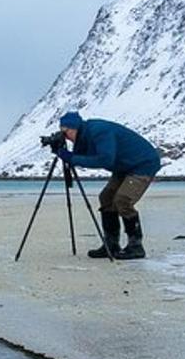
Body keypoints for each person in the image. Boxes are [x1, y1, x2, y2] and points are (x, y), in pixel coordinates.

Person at [55, 111, 161, 260]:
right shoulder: (84, 136)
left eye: (65, 133)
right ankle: (111, 244)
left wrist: (72, 158)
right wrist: (62, 151)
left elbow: (105, 160)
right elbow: (82, 155)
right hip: (124, 166)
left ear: (74, 128)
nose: (65, 136)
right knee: (106, 198)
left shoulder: (99, 131)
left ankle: (136, 246)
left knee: (123, 200)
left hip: (143, 164)